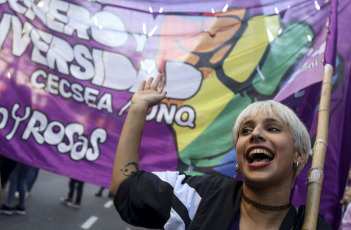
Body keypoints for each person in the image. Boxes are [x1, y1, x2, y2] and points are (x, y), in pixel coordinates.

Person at [110, 75, 331, 229]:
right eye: (245, 131)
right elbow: (125, 188)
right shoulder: (198, 198)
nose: (255, 134)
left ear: (299, 154)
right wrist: (138, 109)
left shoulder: (310, 225)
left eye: (272, 128)